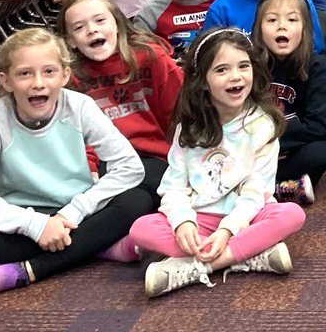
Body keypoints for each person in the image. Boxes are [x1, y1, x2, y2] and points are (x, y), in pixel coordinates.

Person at [0, 29, 149, 303]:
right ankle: (98, 245)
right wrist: (34, 225)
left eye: (49, 72)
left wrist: (75, 211)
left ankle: (21, 272)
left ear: (65, 75)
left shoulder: (80, 107)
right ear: (5, 81)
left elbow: (129, 166)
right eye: (24, 74)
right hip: (19, 220)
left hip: (75, 214)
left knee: (138, 200)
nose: (38, 83)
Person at [129, 29, 307, 298]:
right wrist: (182, 223)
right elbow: (174, 187)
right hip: (200, 217)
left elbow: (255, 193)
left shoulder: (263, 125)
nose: (235, 76)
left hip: (246, 215)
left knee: (291, 214)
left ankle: (197, 266)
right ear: (203, 81)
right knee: (140, 229)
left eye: (243, 66)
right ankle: (247, 256)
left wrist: (228, 230)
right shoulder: (188, 128)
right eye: (222, 70)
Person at [59, 0, 182, 207]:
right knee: (102, 198)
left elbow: (182, 113)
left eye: (100, 20)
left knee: (139, 200)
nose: (92, 30)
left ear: (117, 24)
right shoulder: (70, 76)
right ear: (70, 41)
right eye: (79, 27)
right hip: (103, 161)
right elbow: (75, 134)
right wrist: (89, 168)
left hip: (152, 157)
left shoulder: (152, 58)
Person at [252, 0, 326, 203]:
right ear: (259, 29)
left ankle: (258, 187)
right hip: (254, 148)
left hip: (291, 146)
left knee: (320, 153)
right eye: (271, 20)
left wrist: (274, 139)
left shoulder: (316, 66)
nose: (282, 26)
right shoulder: (249, 65)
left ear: (305, 28)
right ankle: (282, 189)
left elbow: (320, 126)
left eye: (292, 20)